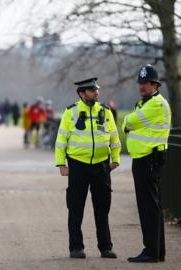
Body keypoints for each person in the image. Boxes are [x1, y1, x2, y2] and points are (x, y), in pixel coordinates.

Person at [55, 77, 121, 259]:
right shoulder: (71, 113)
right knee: (76, 208)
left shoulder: (105, 112)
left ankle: (105, 247)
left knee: (103, 208)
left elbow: (114, 137)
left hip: (101, 165)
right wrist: (61, 163)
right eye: (92, 90)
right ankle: (76, 247)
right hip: (78, 166)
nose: (96, 93)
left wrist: (115, 159)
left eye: (97, 90)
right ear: (81, 93)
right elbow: (61, 139)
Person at [123, 64, 171, 263]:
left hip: (148, 160)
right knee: (152, 206)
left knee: (148, 207)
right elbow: (131, 123)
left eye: (146, 83)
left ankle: (151, 251)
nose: (142, 86)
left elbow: (129, 122)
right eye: (140, 83)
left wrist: (127, 121)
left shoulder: (156, 104)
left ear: (155, 84)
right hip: (145, 160)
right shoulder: (145, 103)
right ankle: (157, 251)